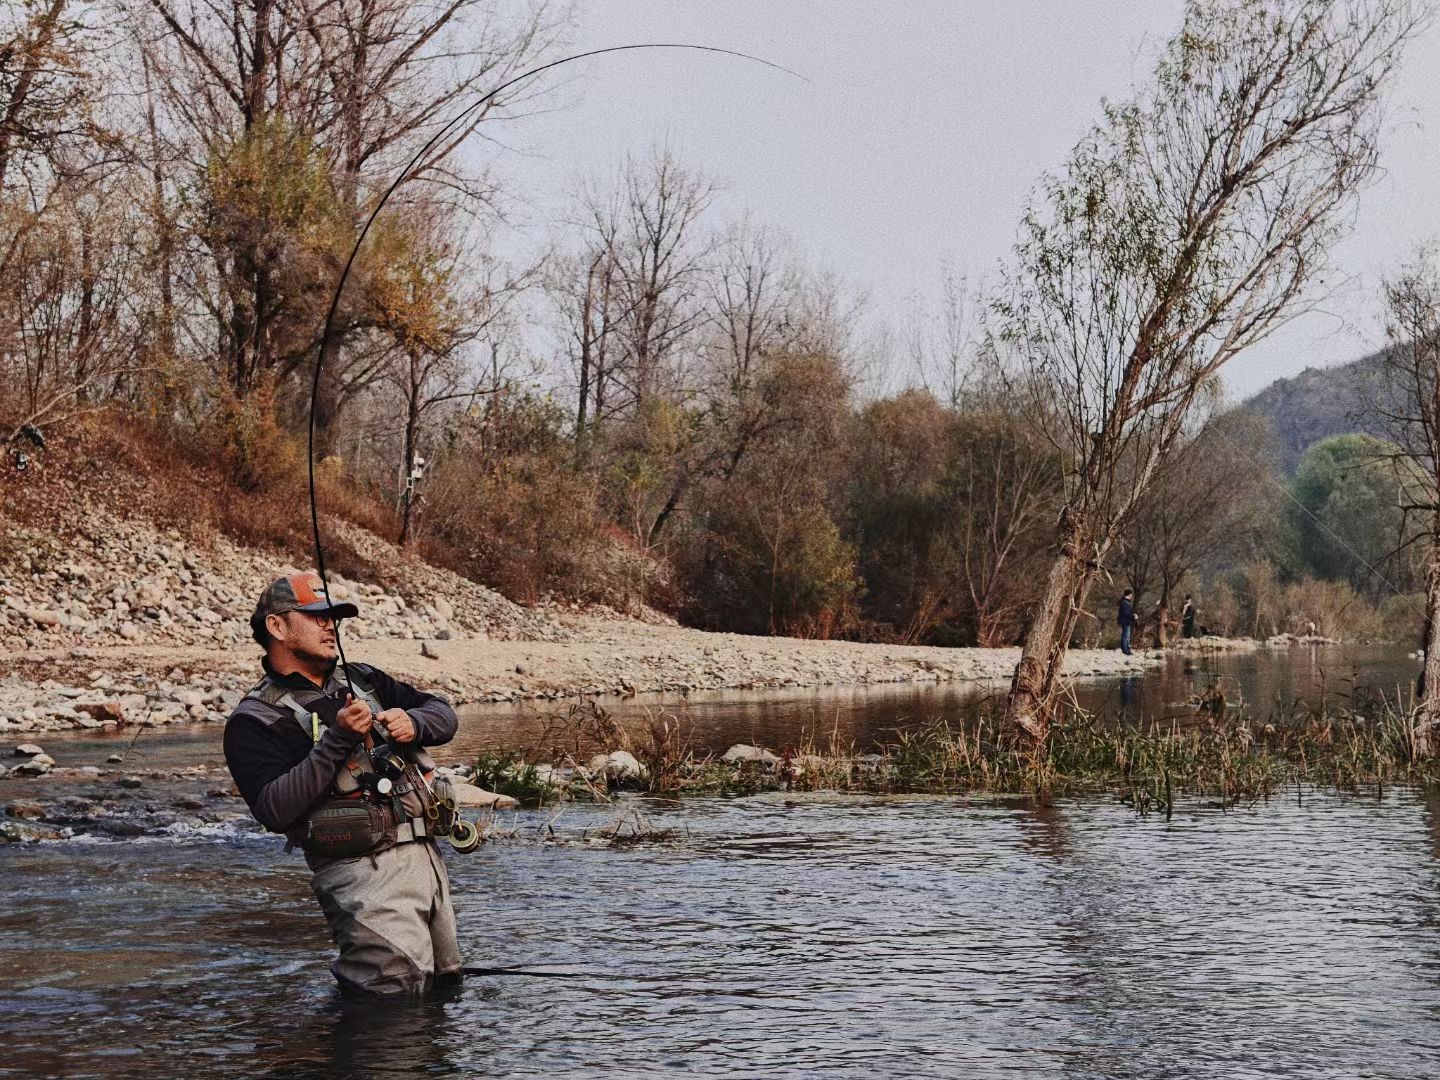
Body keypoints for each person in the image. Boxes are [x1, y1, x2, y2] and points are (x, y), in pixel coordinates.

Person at [224, 572, 463, 999]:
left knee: (444, 989)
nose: (330, 625)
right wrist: (336, 739)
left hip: (427, 863)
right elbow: (273, 809)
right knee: (389, 1003)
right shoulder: (254, 719)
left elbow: (444, 714)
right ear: (277, 627)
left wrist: (416, 722)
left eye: (333, 616)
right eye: (316, 616)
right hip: (360, 876)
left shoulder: (365, 679)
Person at [1117, 589, 1137, 655]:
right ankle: (1126, 650)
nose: (1132, 595)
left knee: (1125, 635)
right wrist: (1133, 615)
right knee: (1126, 636)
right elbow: (1125, 613)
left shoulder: (1124, 602)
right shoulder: (1125, 602)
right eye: (1131, 594)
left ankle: (1125, 649)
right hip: (1126, 621)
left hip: (1125, 621)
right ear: (1129, 594)